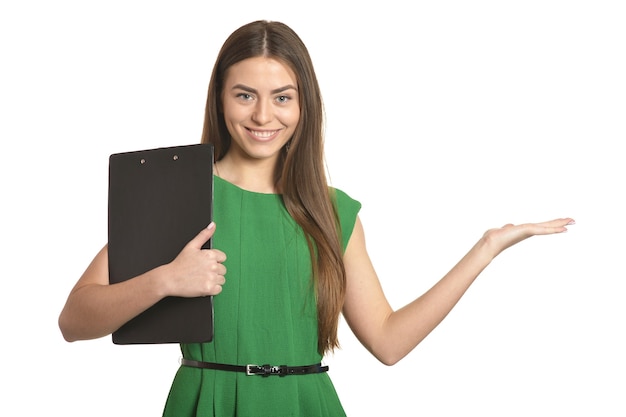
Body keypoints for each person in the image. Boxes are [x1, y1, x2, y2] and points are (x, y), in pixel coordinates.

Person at [58, 20, 574, 416]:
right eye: (245, 96)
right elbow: (74, 320)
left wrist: (484, 248)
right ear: (220, 97)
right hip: (206, 402)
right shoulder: (178, 193)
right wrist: (165, 280)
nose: (264, 117)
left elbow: (389, 343)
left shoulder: (331, 210)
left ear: (304, 105)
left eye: (282, 97)